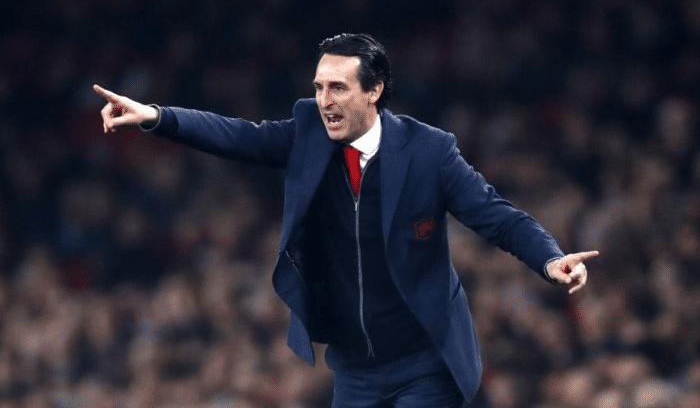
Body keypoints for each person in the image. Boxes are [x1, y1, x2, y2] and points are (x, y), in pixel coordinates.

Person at [94, 33, 598, 407]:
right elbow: (238, 136)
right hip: (355, 367)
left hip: (425, 359)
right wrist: (156, 116)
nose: (324, 101)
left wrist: (549, 258)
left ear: (373, 91)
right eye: (318, 87)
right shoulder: (308, 133)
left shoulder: (429, 152)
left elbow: (496, 217)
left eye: (338, 88)